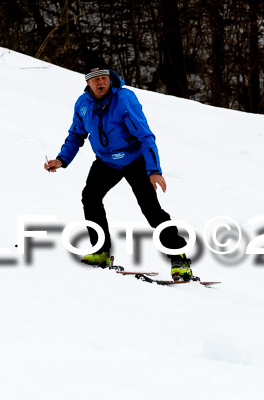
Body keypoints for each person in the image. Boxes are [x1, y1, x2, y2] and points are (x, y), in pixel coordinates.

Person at [45, 62, 193, 281]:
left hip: (135, 160)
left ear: (110, 78)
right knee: (90, 198)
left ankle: (179, 257)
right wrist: (61, 159)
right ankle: (101, 252)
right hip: (106, 162)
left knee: (151, 211)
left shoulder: (124, 99)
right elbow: (76, 135)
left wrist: (153, 170)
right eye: (95, 80)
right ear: (88, 83)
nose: (101, 82)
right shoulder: (83, 104)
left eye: (104, 78)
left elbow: (145, 136)